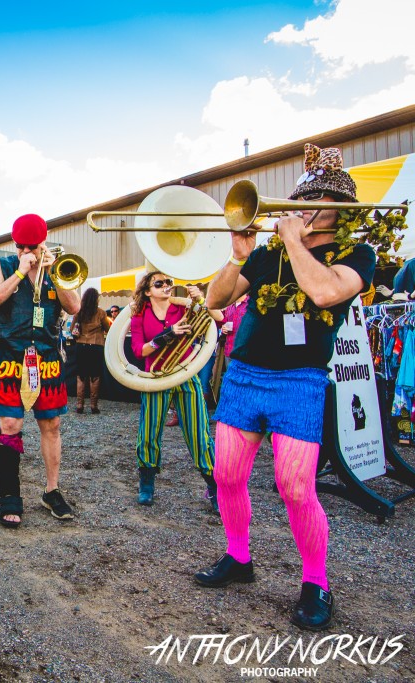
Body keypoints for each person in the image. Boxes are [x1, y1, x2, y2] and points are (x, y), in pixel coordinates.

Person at [194, 144, 377, 631]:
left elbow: (324, 291)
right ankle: (239, 558)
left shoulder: (357, 254)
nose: (304, 206)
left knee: (295, 486)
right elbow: (216, 298)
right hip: (244, 376)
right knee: (228, 475)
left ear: (340, 211)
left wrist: (294, 241)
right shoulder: (270, 253)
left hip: (300, 380)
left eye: (317, 199)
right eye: (303, 198)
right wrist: (239, 256)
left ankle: (317, 583)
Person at [0, 214, 81, 528]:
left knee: (51, 424)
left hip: (47, 356)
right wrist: (21, 274)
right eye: (22, 246)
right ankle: (10, 497)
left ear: (44, 240)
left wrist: (50, 271)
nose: (29, 251)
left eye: (34, 246)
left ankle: (51, 491)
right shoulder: (3, 266)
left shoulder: (58, 264)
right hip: (9, 354)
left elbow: (74, 306)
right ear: (15, 244)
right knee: (9, 423)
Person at [129, 272, 217, 510]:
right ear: (148, 291)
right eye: (159, 283)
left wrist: (201, 300)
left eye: (169, 282)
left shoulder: (182, 308)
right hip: (156, 376)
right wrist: (166, 336)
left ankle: (214, 484)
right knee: (149, 432)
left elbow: (215, 317)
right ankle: (146, 482)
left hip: (186, 374)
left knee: (199, 432)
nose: (166, 286)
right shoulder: (139, 315)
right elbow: (139, 350)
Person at [72, 287, 110, 414]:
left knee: (81, 376)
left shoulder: (79, 313)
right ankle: (94, 406)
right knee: (95, 376)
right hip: (96, 346)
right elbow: (107, 329)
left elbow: (72, 330)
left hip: (81, 346)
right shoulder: (101, 313)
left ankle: (79, 405)